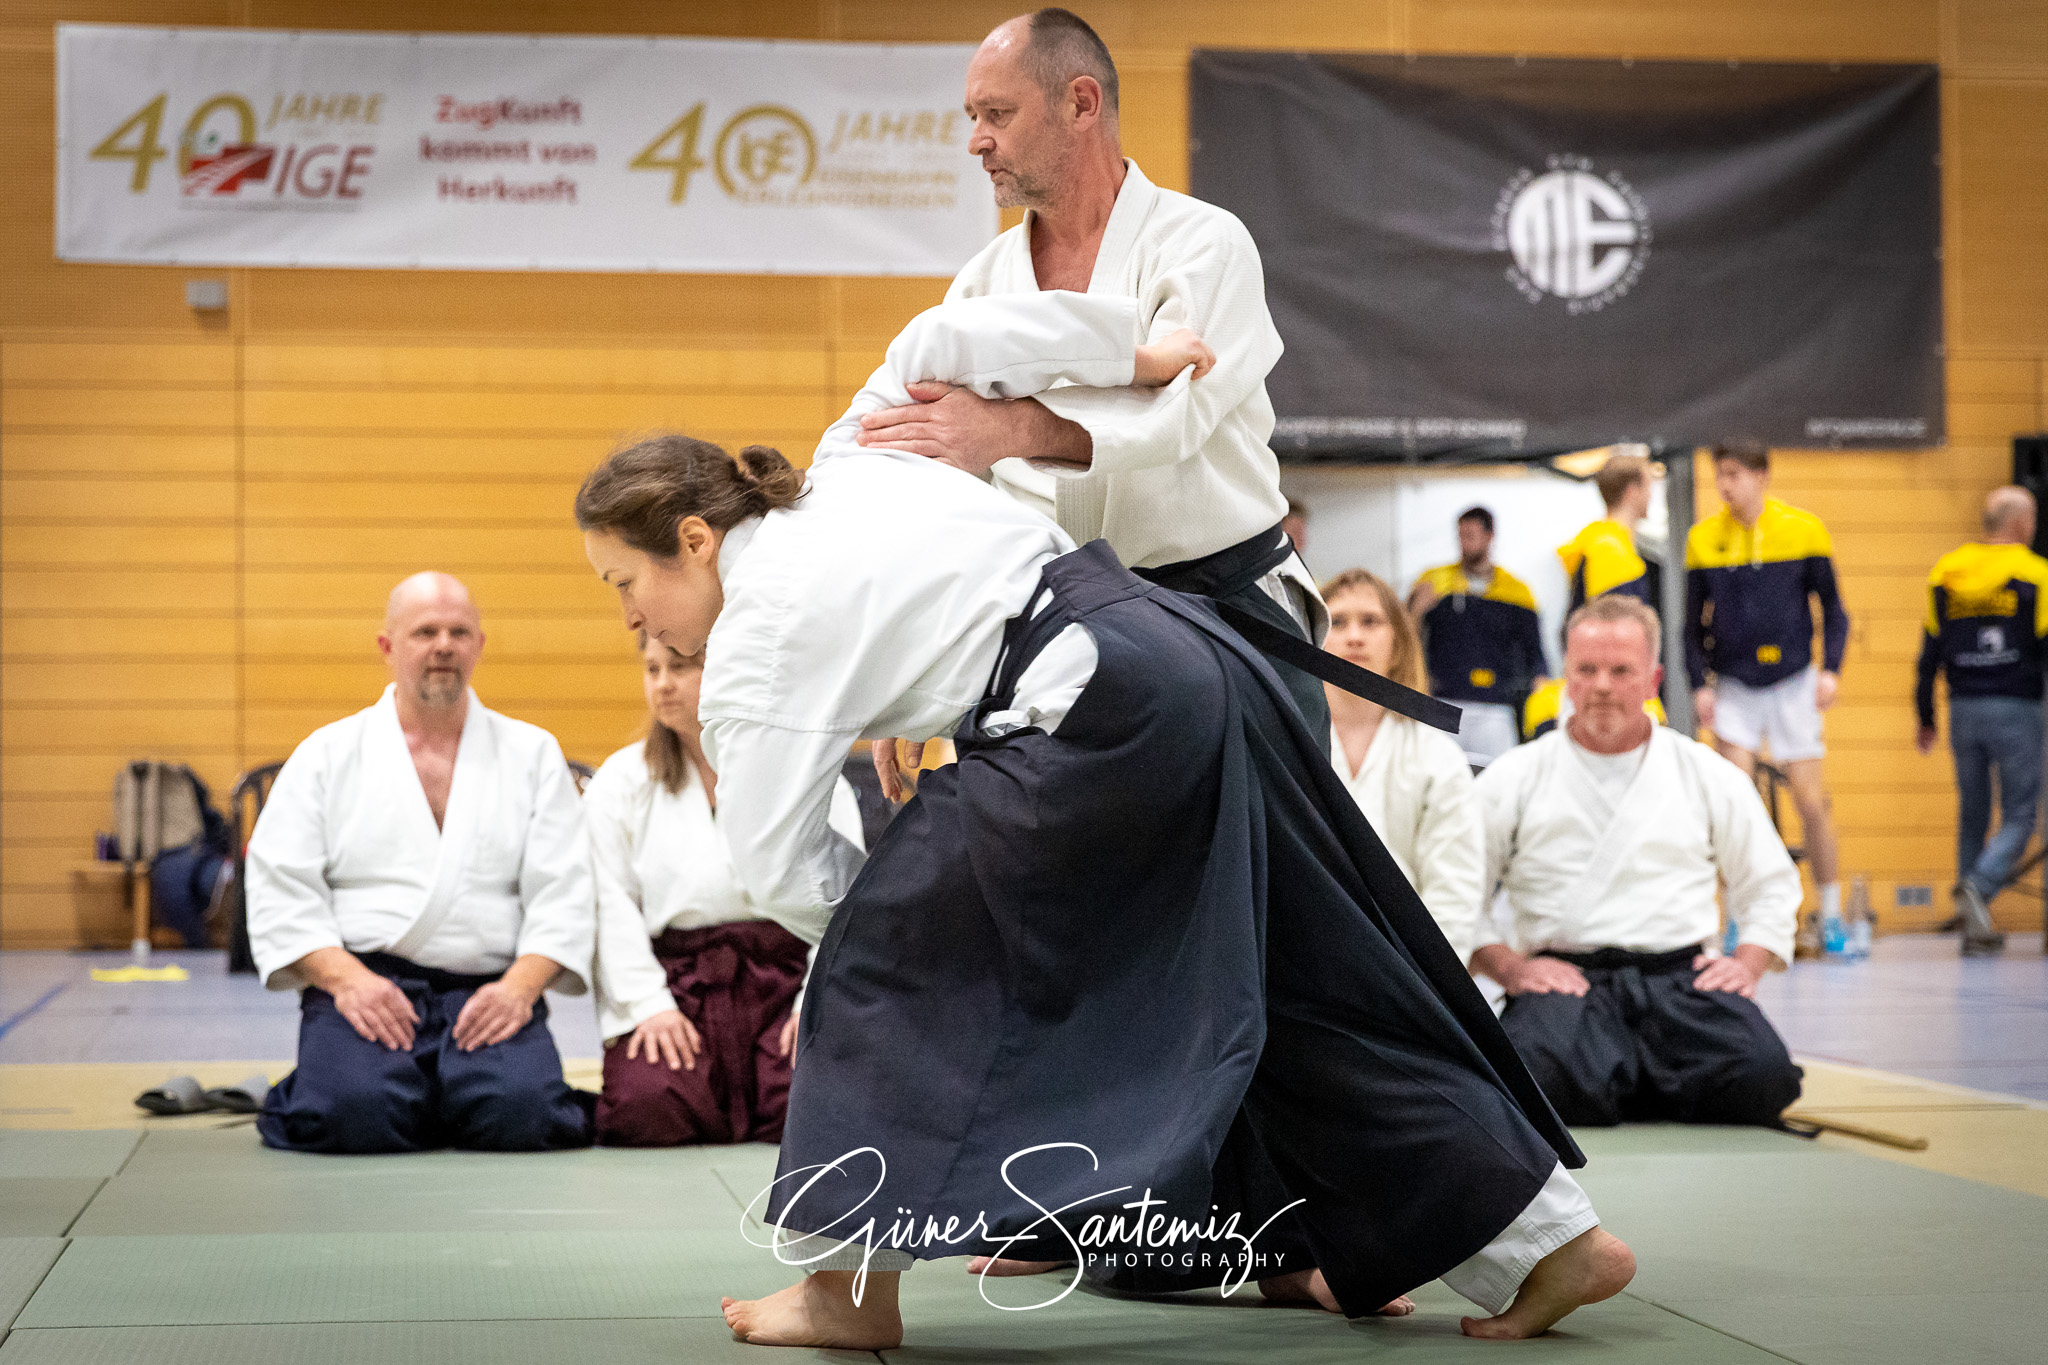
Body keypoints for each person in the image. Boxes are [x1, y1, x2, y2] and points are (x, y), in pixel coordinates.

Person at [577, 292, 1631, 1352]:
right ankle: (1548, 1238)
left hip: (1094, 720)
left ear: (696, 538)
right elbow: (949, 340)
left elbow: (783, 876)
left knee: (873, 960)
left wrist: (872, 962)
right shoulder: (852, 451)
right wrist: (1132, 353)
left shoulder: (754, 643)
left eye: (625, 582)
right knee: (1281, 975)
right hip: (1196, 657)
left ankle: (846, 1294)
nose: (629, 616)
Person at [851, 9, 1330, 771]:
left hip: (1224, 613)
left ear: (1081, 103)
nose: (976, 140)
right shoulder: (978, 286)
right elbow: (950, 500)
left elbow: (1170, 415)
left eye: (997, 115)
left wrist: (1007, 430)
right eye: (974, 118)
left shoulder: (1204, 242)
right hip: (1058, 629)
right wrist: (921, 669)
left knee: (1268, 882)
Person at [247, 573, 595, 1154]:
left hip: (488, 990)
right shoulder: (328, 754)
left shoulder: (531, 753)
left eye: (459, 632)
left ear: (479, 645)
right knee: (352, 1117)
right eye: (424, 632)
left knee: (524, 1118)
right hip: (366, 984)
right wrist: (347, 980)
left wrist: (519, 988)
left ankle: (442, 1089)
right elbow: (282, 886)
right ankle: (372, 1084)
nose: (443, 645)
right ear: (387, 647)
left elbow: (565, 890)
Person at [1473, 596, 1804, 1128]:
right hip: (1567, 985)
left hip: (1681, 984)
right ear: (1567, 680)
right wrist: (1510, 968)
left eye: (1621, 670)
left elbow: (1769, 882)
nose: (1602, 684)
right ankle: (1639, 1078)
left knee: (1762, 1075)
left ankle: (1618, 1078)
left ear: (1652, 680)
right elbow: (1458, 892)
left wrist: (1746, 962)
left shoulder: (1707, 773)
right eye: (1586, 669)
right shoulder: (1514, 777)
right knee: (1525, 1083)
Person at [586, 633, 867, 1146]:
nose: (663, 684)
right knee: (648, 1104)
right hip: (679, 983)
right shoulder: (621, 782)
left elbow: (845, 904)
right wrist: (650, 1006)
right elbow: (610, 902)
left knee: (814, 1107)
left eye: (680, 667)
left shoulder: (805, 774)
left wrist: (815, 1001)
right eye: (652, 670)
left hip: (785, 978)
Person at [1685, 443, 1850, 946]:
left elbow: (1834, 610)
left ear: (1761, 475)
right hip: (1734, 685)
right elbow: (1691, 625)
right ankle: (1737, 916)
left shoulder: (1804, 529)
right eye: (1720, 476)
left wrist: (1832, 671)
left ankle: (1833, 915)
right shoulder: (1703, 539)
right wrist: (1698, 684)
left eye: (1734, 475)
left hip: (1796, 682)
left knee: (1809, 799)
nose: (1725, 486)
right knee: (1734, 800)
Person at [1325, 569, 1485, 964]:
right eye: (1338, 621)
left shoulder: (1435, 758)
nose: (1354, 636)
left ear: (1398, 646)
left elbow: (1454, 895)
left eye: (1371, 621)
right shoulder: (1285, 744)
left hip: (1407, 975)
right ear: (1312, 639)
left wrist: (1430, 992)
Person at [1916, 485, 2048, 956]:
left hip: (1963, 709)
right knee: (2020, 814)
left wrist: (1925, 715)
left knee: (1973, 812)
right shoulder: (2036, 573)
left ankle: (1974, 928)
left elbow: (1928, 652)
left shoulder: (1948, 572)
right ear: (2019, 524)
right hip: (2017, 708)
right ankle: (1980, 885)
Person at [1409, 506, 1548, 766]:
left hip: (1496, 706)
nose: (1465, 543)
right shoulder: (1434, 582)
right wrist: (1417, 610)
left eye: (1471, 535)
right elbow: (1406, 638)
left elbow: (1534, 650)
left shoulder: (1517, 591)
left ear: (1489, 536)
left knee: (1499, 779)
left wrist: (1540, 681)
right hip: (1444, 702)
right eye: (1461, 535)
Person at [1559, 453, 1658, 618]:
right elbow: (1615, 626)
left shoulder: (1600, 541)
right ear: (1632, 491)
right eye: (1648, 487)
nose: (1650, 496)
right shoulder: (1611, 550)